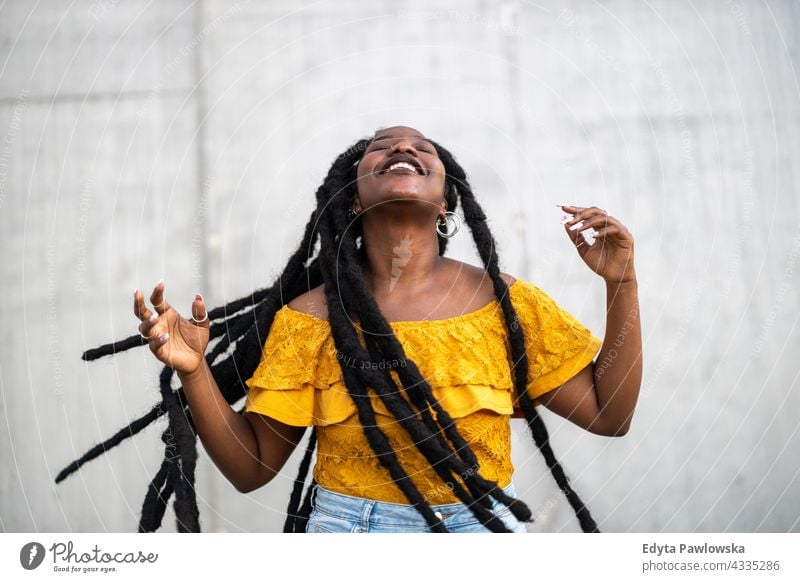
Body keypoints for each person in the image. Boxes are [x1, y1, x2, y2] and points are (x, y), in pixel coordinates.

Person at [57, 125, 641, 533]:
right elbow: (251, 468)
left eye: (421, 149)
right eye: (382, 149)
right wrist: (195, 372)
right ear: (353, 200)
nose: (403, 148)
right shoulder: (309, 319)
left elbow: (610, 415)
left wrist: (622, 283)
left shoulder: (507, 305)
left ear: (447, 204)